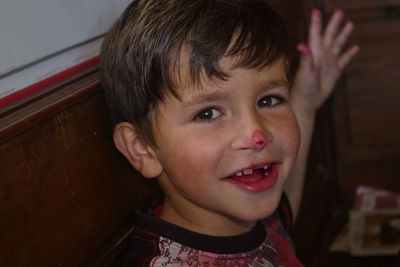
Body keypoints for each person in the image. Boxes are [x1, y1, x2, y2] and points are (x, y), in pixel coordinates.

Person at [100, 1, 359, 266]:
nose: (256, 133)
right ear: (142, 147)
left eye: (269, 100)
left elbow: (281, 218)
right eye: (208, 113)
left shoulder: (250, 219)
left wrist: (304, 101)